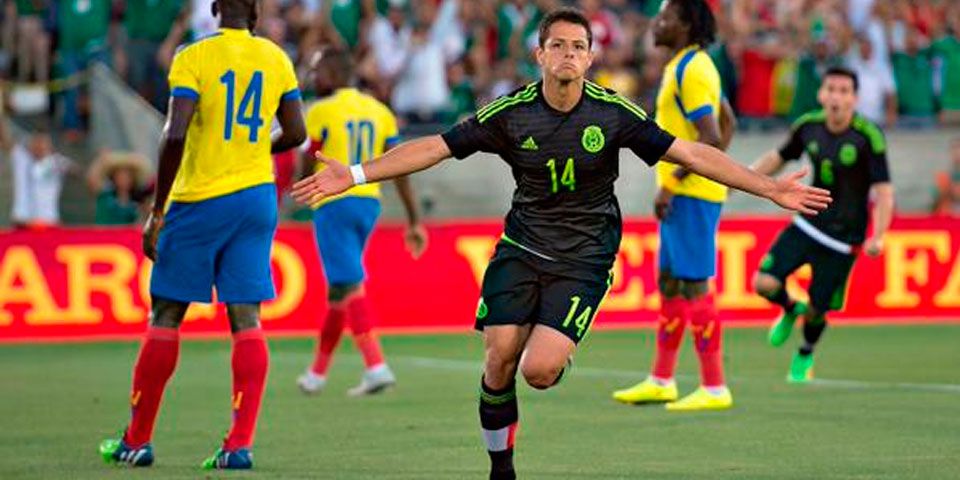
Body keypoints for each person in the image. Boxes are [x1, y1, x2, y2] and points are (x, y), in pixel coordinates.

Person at [293, 8, 829, 480]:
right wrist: (356, 174)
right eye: (558, 45)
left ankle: (556, 347)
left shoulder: (613, 112)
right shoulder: (511, 113)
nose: (568, 54)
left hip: (585, 258)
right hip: (521, 248)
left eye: (578, 46)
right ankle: (501, 469)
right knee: (499, 360)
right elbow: (436, 146)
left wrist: (767, 186)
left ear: (591, 57)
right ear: (540, 55)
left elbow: (691, 153)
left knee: (538, 372)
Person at [98, 0, 306, 470]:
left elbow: (174, 134)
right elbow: (296, 132)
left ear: (214, 8)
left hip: (200, 199)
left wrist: (157, 211)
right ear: (255, 11)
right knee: (247, 317)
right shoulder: (275, 57)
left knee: (167, 313)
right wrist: (258, 148)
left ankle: (137, 440)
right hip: (256, 199)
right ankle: (238, 447)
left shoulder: (193, 56)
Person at [612, 0, 737, 412]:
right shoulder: (688, 65)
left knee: (694, 283)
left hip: (690, 194)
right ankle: (662, 379)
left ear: (685, 25)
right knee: (669, 280)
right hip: (689, 191)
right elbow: (728, 122)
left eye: (665, 16)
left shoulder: (692, 70)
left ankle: (714, 386)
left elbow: (711, 136)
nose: (657, 22)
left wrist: (676, 183)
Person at [296, 47, 427, 397]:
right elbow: (400, 167)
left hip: (333, 202)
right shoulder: (380, 111)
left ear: (332, 74)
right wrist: (414, 219)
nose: (314, 77)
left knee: (351, 284)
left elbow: (308, 158)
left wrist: (298, 191)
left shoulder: (320, 110)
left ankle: (375, 365)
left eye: (318, 71)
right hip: (369, 203)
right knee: (339, 289)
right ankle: (317, 373)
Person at [751, 67, 894, 383]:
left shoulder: (868, 136)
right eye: (831, 89)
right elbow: (778, 157)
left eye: (844, 91)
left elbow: (884, 191)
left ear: (854, 98)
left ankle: (805, 353)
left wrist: (879, 236)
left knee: (818, 310)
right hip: (808, 223)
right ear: (821, 94)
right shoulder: (808, 126)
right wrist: (741, 180)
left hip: (844, 239)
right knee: (764, 283)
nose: (836, 97)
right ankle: (790, 308)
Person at [86, 151, 154, 225]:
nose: (123, 179)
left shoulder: (138, 201)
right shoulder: (105, 195)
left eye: (127, 176)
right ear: (114, 177)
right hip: (104, 232)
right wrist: (101, 161)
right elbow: (91, 180)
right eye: (120, 176)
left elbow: (148, 219)